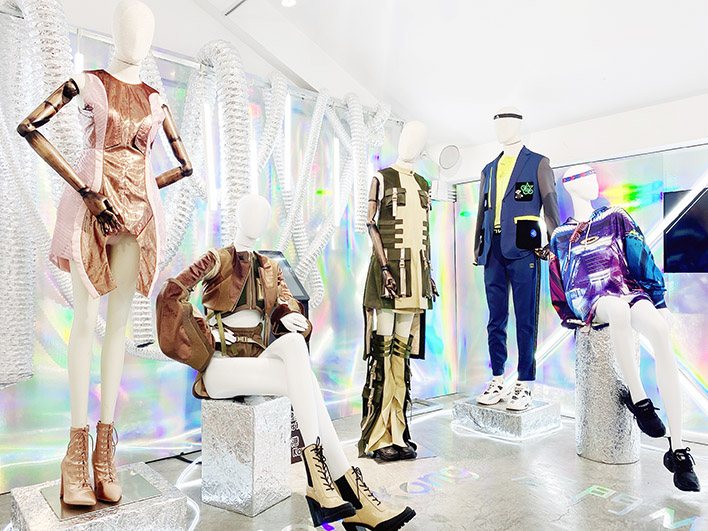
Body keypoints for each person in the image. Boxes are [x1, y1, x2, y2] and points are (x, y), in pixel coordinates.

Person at [156, 195, 416, 529]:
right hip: (220, 369)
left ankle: (324, 481)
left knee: (294, 346)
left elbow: (288, 302)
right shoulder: (217, 259)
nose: (257, 220)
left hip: (256, 365)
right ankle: (348, 489)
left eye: (263, 214)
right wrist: (204, 335)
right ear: (238, 215)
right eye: (251, 212)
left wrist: (286, 314)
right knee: (304, 382)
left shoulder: (270, 267)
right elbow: (172, 293)